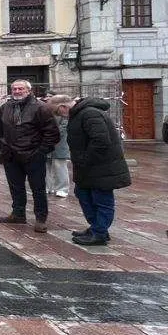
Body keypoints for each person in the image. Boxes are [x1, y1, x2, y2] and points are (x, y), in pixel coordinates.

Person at [47, 95, 130, 246]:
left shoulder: (90, 113)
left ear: (63, 107)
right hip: (87, 166)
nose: (60, 117)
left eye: (58, 113)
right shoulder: (80, 114)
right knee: (83, 194)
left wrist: (85, 159)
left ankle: (99, 233)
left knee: (101, 199)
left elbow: (100, 140)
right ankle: (97, 228)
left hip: (100, 167)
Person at [0, 79, 61, 233]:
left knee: (38, 188)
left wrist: (40, 151)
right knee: (15, 187)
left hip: (33, 155)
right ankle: (18, 213)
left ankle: (40, 218)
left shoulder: (40, 108)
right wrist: (3, 146)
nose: (17, 91)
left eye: (20, 89)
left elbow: (52, 133)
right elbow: (0, 129)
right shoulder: (5, 107)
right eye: (14, 89)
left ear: (29, 90)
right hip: (11, 155)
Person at [47, 102, 71, 198]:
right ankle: (48, 187)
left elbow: (64, 128)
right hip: (47, 144)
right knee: (45, 165)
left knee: (60, 166)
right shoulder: (46, 111)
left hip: (60, 145)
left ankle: (62, 189)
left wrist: (51, 135)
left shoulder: (64, 113)